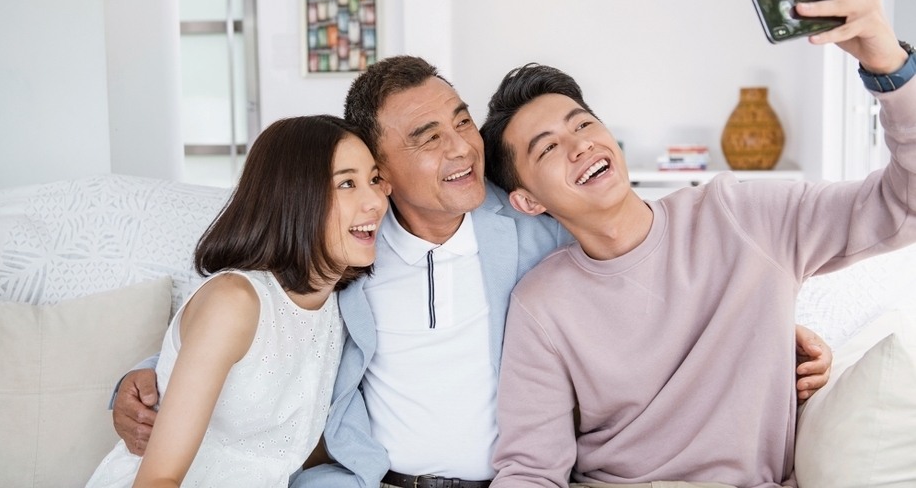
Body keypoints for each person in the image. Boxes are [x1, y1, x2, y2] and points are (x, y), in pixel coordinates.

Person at [112, 58, 833, 487]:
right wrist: (146, 373)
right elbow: (262, 306)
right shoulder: (352, 240)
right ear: (379, 167)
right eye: (428, 137)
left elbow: (651, 269)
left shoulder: (534, 225)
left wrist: (766, 326)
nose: (462, 146)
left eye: (461, 120)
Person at [479, 0, 916, 488]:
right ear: (528, 201)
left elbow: (901, 203)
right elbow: (531, 470)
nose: (580, 145)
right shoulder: (541, 303)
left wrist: (887, 60)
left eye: (584, 123)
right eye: (548, 147)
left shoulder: (742, 215)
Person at [87, 115, 388, 488]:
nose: (375, 200)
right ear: (294, 197)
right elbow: (158, 478)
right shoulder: (235, 302)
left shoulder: (337, 306)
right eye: (347, 183)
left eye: (374, 179)